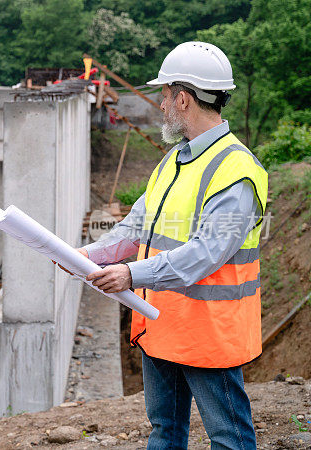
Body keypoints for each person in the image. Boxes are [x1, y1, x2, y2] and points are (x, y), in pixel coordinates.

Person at [76, 42, 268, 449]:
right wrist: (86, 256)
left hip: (207, 334)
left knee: (229, 437)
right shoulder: (173, 160)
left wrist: (130, 274)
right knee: (164, 431)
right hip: (161, 324)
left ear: (182, 99)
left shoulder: (236, 171)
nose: (160, 104)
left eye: (164, 95)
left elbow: (204, 255)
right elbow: (135, 226)